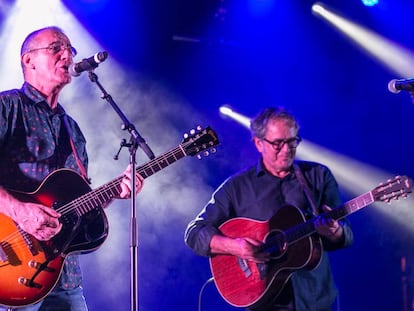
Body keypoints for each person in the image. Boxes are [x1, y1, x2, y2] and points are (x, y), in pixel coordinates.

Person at [0, 26, 144, 310]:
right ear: (29, 60)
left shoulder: (73, 130)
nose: (67, 54)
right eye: (56, 48)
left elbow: (76, 203)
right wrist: (20, 210)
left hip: (64, 276)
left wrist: (116, 191)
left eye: (70, 50)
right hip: (11, 265)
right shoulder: (7, 107)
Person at [184, 107, 354, 311]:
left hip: (316, 300)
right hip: (266, 304)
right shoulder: (237, 187)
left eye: (292, 142)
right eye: (277, 143)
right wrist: (234, 246)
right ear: (258, 143)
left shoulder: (318, 176)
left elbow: (347, 234)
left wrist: (336, 232)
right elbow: (194, 233)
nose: (286, 150)